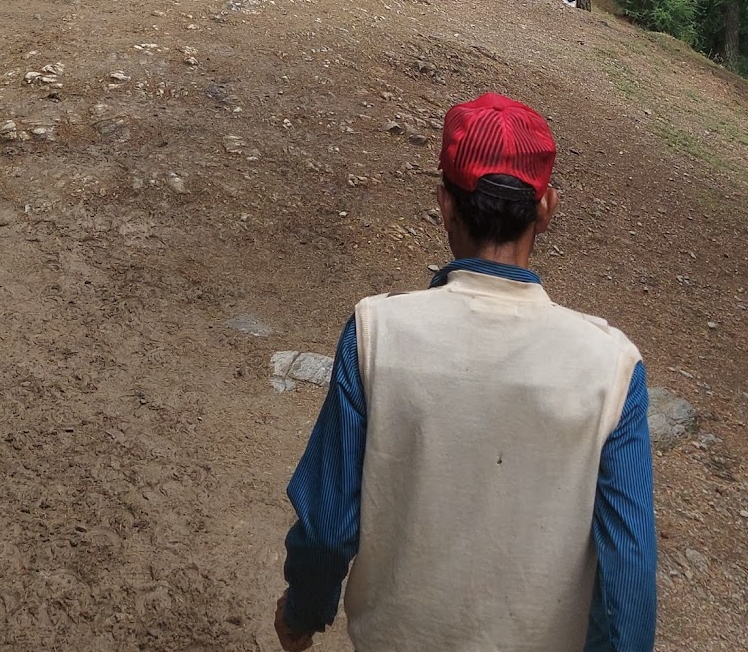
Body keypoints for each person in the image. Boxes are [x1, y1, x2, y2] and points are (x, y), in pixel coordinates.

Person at [273, 92, 657, 652]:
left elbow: (330, 529)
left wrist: (302, 613)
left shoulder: (377, 332)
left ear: (445, 205)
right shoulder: (612, 367)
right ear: (546, 209)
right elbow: (627, 590)